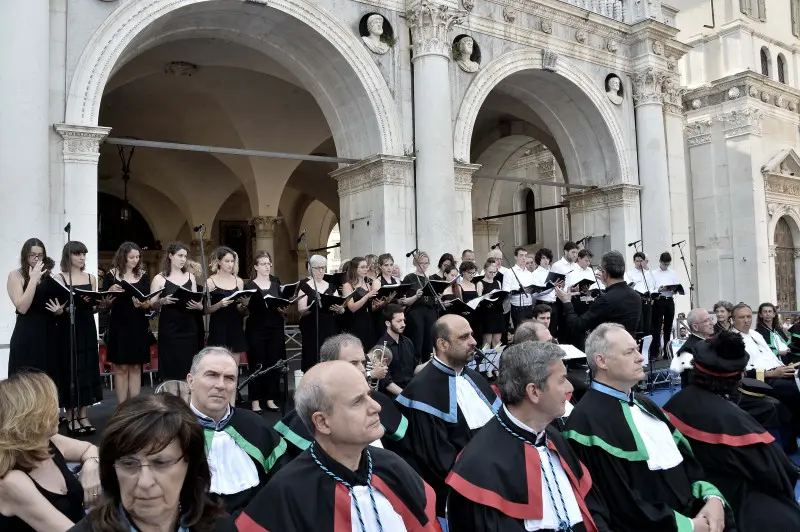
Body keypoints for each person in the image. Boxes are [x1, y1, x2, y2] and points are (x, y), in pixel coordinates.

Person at [563, 323, 732, 532]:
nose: (641, 357)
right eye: (629, 352)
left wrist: (712, 498)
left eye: (637, 349)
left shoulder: (647, 405)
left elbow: (690, 465)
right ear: (602, 361)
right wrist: (689, 526)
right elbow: (620, 504)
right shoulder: (586, 423)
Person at [236, 361, 439, 531]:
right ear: (323, 422)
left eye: (369, 395)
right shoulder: (287, 491)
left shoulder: (394, 466)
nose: (377, 406)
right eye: (358, 402)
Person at [446, 341, 611, 531]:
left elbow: (592, 508)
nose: (570, 387)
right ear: (533, 391)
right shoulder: (479, 465)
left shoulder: (553, 438)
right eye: (562, 379)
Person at [663, 332, 800, 529]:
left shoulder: (675, 403)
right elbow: (779, 474)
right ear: (739, 376)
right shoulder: (735, 423)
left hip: (688, 492)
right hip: (731, 499)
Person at [70, 393, 236, 532]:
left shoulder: (220, 527)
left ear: (189, 464)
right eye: (129, 464)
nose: (145, 482)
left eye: (161, 463)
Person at [396, 314, 499, 518]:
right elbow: (438, 461)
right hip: (464, 495)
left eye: (471, 334)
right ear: (442, 344)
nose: (474, 342)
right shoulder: (421, 393)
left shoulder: (475, 378)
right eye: (464, 337)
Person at [273, 334, 410, 462]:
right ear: (327, 365)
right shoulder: (303, 419)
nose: (362, 369)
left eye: (363, 362)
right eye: (353, 363)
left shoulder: (379, 401)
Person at [185, 346, 286, 514]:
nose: (221, 385)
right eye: (212, 375)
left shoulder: (255, 424)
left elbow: (282, 481)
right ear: (191, 381)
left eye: (229, 378)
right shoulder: (171, 429)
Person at [0, 372, 101, 532]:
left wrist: (91, 465)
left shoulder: (48, 442)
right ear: (32, 416)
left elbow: (90, 449)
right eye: (50, 405)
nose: (57, 409)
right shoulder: (12, 482)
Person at [55, 241, 105, 435]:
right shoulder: (60, 277)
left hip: (86, 326)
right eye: (77, 254)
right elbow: (57, 306)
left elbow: (93, 306)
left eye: (84, 254)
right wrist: (64, 309)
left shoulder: (91, 278)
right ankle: (70, 416)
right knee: (70, 369)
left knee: (86, 368)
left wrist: (102, 305)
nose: (82, 257)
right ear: (68, 256)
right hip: (67, 328)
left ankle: (83, 414)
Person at [103, 241, 152, 403]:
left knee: (136, 366)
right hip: (119, 325)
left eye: (137, 257)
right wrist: (110, 292)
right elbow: (104, 303)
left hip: (138, 325)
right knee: (121, 367)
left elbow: (147, 302)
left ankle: (135, 408)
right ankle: (121, 408)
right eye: (131, 257)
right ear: (123, 256)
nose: (135, 260)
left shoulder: (143, 275)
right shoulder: (111, 275)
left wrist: (143, 304)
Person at [555, 251, 641, 343]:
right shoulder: (636, 296)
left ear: (604, 272)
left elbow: (577, 326)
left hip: (610, 350)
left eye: (600, 269)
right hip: (629, 346)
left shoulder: (605, 300)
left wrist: (567, 302)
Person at [6, 238, 60, 381]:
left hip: (48, 333)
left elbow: (54, 305)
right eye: (32, 255)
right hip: (27, 334)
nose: (36, 258)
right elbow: (22, 307)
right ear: (25, 256)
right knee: (25, 382)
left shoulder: (50, 277)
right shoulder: (15, 276)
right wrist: (33, 280)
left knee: (47, 381)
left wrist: (59, 310)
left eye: (40, 255)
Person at [150, 242, 205, 381]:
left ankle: (187, 400)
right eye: (180, 256)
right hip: (170, 328)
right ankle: (171, 400)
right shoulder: (159, 278)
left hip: (189, 327)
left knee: (189, 366)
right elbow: (151, 304)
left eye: (185, 256)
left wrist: (199, 306)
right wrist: (161, 301)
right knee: (171, 367)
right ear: (170, 256)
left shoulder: (190, 277)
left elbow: (195, 299)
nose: (183, 259)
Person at [243, 251, 287, 412]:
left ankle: (270, 398)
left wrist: (283, 309)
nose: (267, 266)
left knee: (273, 363)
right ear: (256, 266)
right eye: (263, 263)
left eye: (268, 263)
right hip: (256, 328)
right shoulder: (249, 285)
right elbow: (244, 310)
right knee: (257, 363)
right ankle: (255, 400)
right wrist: (247, 304)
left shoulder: (276, 285)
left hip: (275, 327)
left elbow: (282, 307)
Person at [297, 254, 344, 371]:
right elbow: (301, 309)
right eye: (317, 268)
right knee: (312, 357)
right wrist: (311, 307)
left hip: (329, 326)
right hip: (311, 326)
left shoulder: (331, 287)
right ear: (310, 269)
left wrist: (340, 309)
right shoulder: (304, 286)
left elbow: (341, 307)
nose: (321, 270)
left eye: (323, 267)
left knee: (329, 357)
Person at [205, 247, 247, 367]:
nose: (230, 264)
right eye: (227, 261)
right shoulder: (210, 282)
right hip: (218, 327)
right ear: (219, 262)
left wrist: (244, 304)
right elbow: (206, 309)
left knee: (234, 366)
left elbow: (240, 309)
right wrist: (219, 304)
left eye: (232, 261)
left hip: (235, 326)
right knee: (218, 366)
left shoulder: (238, 282)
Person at [401, 251, 438, 362]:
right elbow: (404, 301)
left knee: (429, 342)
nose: (424, 265)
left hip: (430, 312)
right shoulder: (410, 278)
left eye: (426, 263)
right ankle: (415, 367)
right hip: (416, 312)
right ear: (415, 263)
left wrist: (437, 297)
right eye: (421, 263)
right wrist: (416, 296)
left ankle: (428, 366)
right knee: (417, 341)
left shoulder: (431, 278)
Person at [375, 303, 416, 395]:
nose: (403, 324)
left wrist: (432, 361)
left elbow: (414, 369)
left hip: (410, 390)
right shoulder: (381, 347)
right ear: (388, 323)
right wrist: (407, 396)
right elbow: (386, 382)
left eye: (403, 320)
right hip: (394, 396)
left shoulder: (408, 342)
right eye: (399, 321)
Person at [343, 256, 380, 352]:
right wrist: (367, 296)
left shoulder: (368, 284)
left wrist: (383, 302)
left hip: (369, 321)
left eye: (366, 267)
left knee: (370, 350)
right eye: (362, 267)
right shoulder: (348, 286)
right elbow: (352, 308)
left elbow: (371, 307)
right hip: (356, 322)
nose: (366, 269)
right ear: (355, 269)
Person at [650, 252, 682, 360]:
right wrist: (659, 289)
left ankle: (667, 352)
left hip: (669, 300)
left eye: (668, 264)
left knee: (668, 326)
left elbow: (677, 285)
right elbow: (651, 288)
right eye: (664, 264)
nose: (666, 266)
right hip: (659, 300)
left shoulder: (672, 272)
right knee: (657, 327)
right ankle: (655, 352)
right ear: (660, 262)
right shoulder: (653, 273)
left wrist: (674, 289)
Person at [502, 248, 536, 329]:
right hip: (517, 306)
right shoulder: (509, 272)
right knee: (520, 331)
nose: (524, 258)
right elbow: (505, 290)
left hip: (529, 305)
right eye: (521, 255)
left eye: (525, 255)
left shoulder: (529, 274)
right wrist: (516, 290)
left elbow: (533, 290)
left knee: (529, 331)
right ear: (516, 257)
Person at [625, 251, 656, 337]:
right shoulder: (629, 273)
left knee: (648, 326)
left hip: (647, 301)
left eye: (641, 261)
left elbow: (652, 287)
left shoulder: (648, 274)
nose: (639, 263)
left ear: (644, 261)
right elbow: (628, 287)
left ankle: (646, 348)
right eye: (637, 261)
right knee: (639, 325)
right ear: (634, 262)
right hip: (637, 301)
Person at [475, 259, 504, 347]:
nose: (493, 274)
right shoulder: (480, 283)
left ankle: (496, 360)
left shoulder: (497, 282)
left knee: (497, 341)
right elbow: (477, 300)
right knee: (487, 342)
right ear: (484, 271)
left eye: (495, 272)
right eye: (490, 272)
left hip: (497, 312)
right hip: (487, 314)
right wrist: (486, 296)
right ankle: (485, 360)